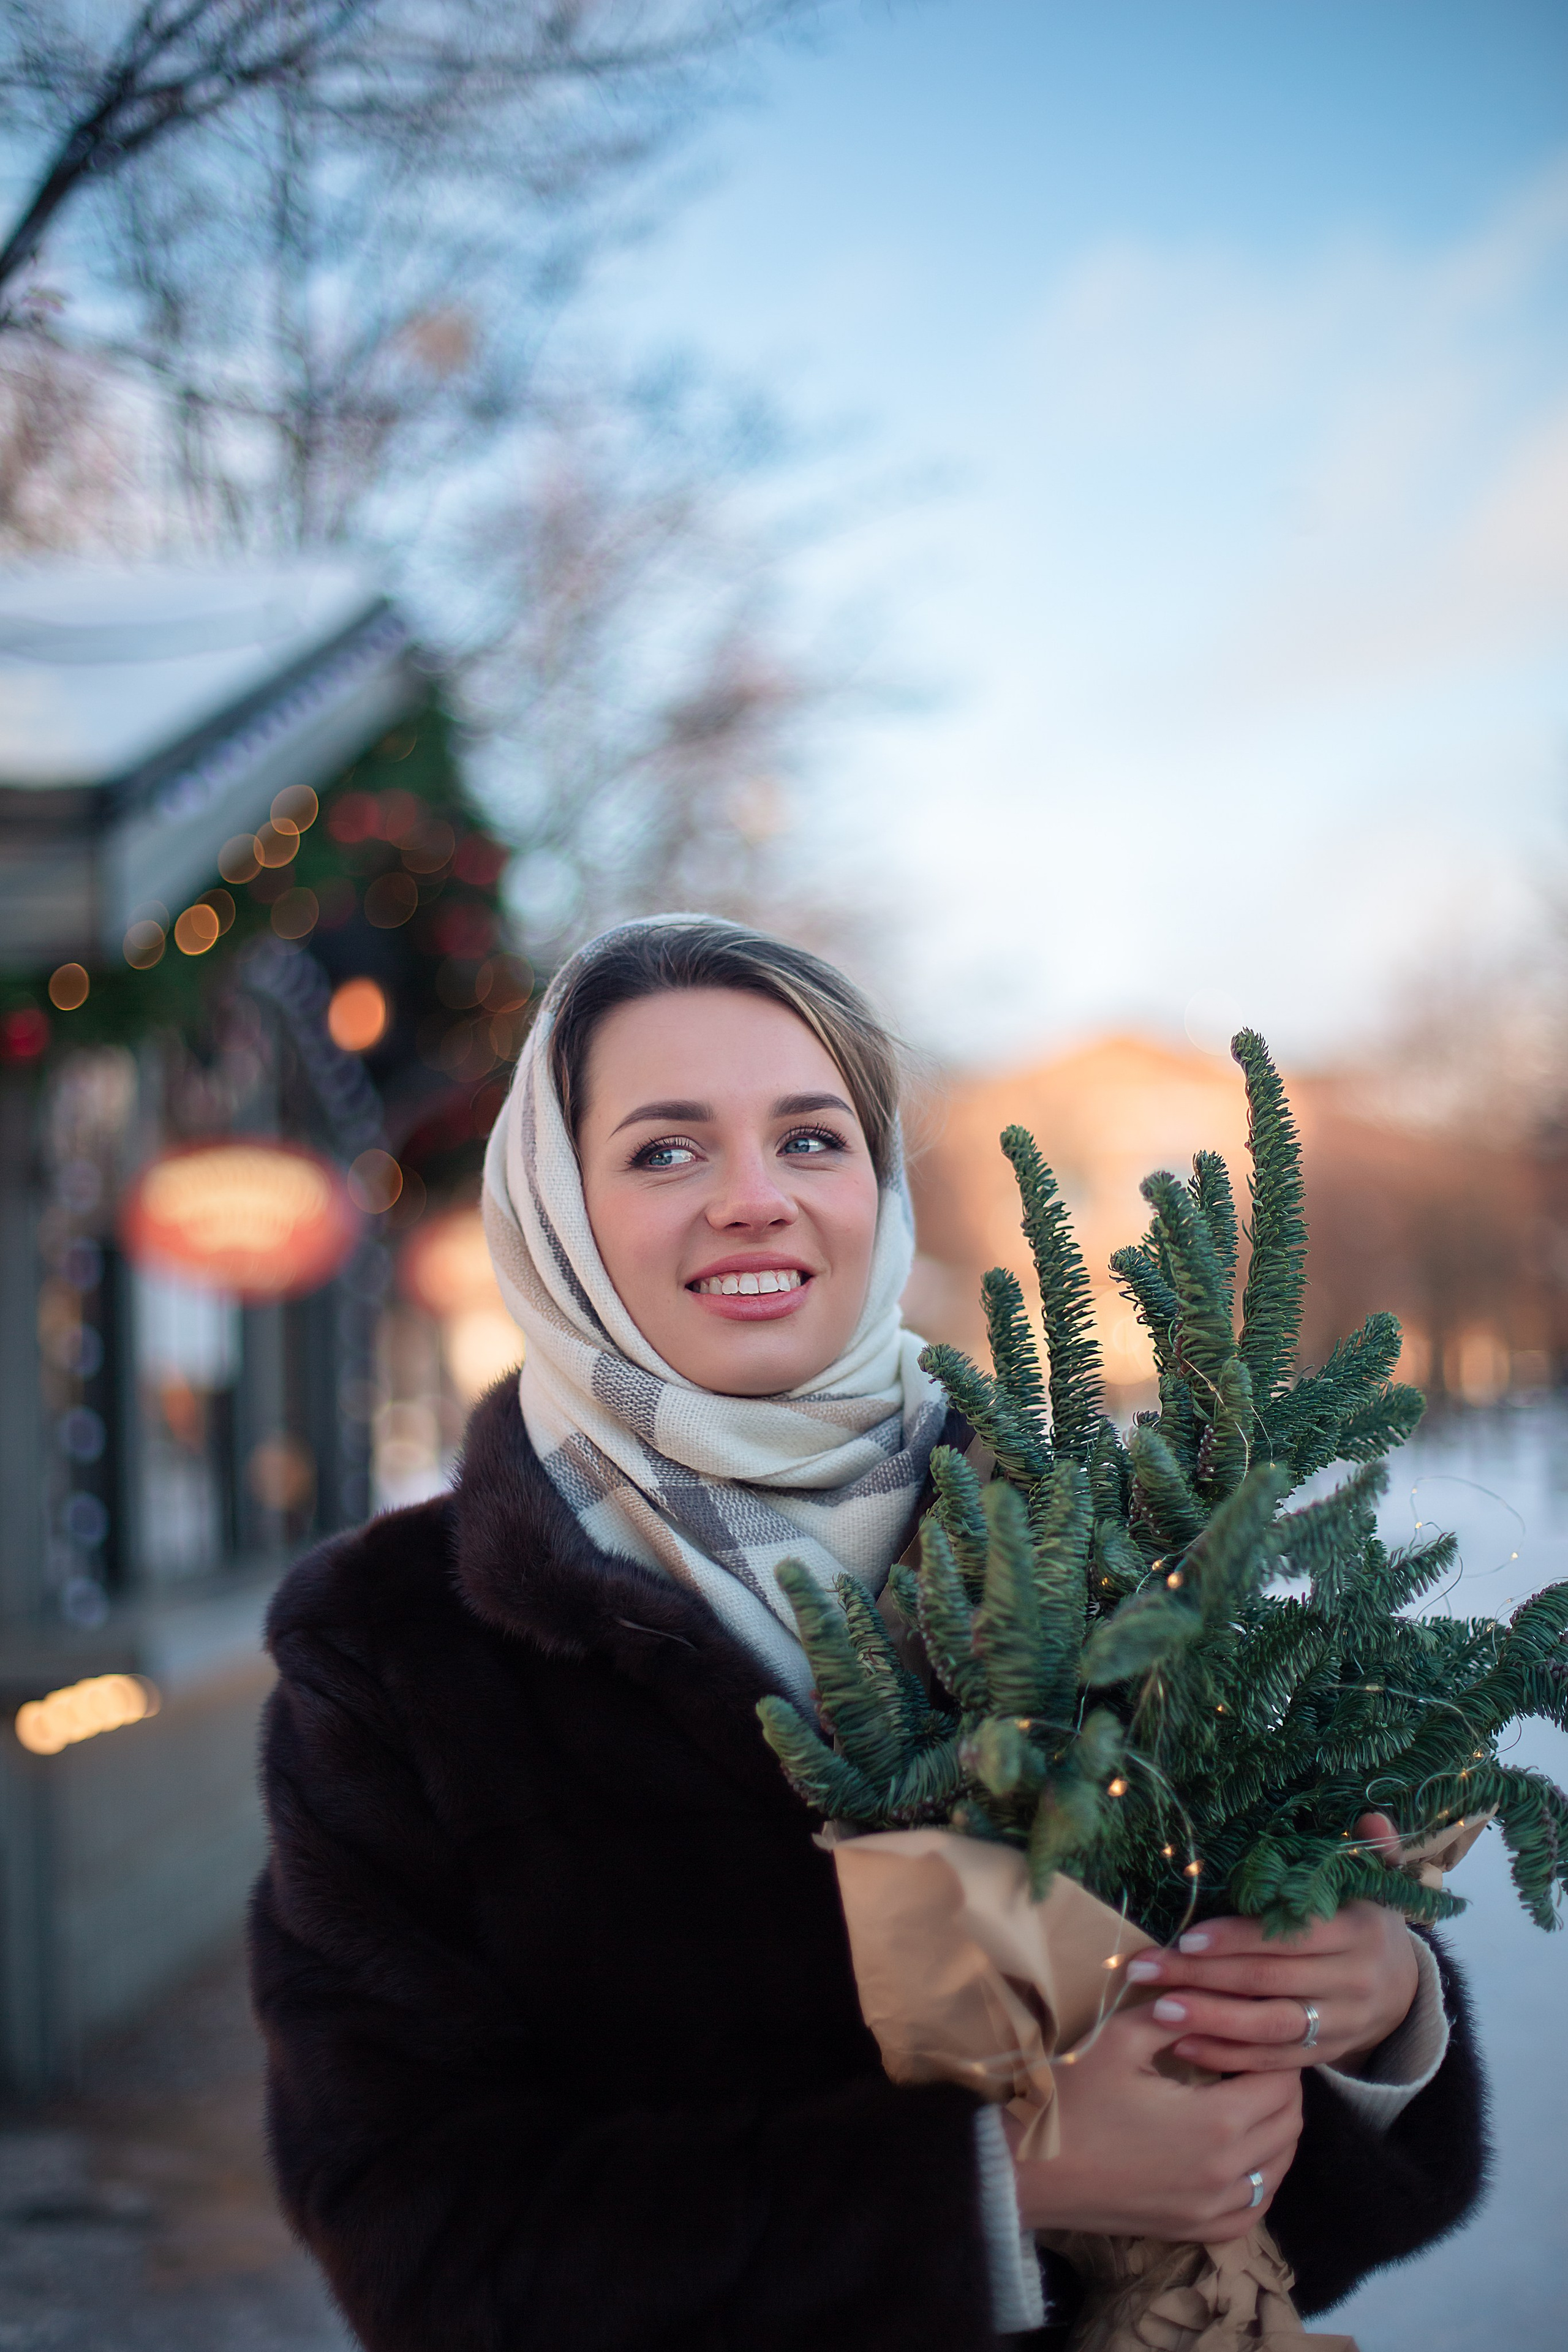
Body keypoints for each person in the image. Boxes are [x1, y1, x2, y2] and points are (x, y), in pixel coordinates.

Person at [250, 915, 1486, 2351]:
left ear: (882, 1184)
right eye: (664, 1150)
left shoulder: (1122, 1555)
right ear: (554, 1207)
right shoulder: (395, 1655)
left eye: (811, 1139)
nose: (752, 1199)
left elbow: (1325, 2228)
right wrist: (993, 2183)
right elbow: (422, 2244)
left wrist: (1367, 2014)